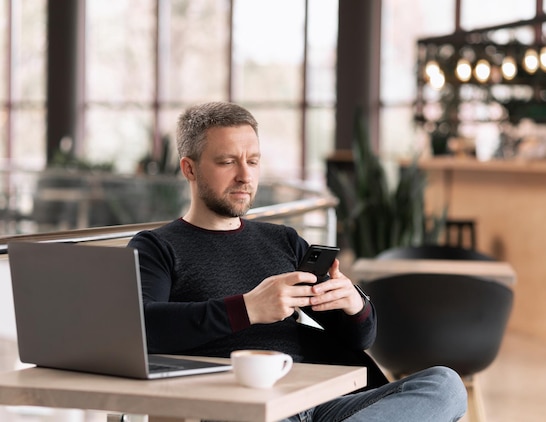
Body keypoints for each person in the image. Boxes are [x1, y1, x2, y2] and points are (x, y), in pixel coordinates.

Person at [128, 101, 467, 421]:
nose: (245, 176)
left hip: (318, 401)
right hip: (247, 409)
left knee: (445, 386)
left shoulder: (283, 240)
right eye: (228, 161)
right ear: (189, 168)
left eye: (254, 161)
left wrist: (353, 305)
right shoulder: (157, 247)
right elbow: (140, 326)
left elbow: (360, 338)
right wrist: (247, 308)